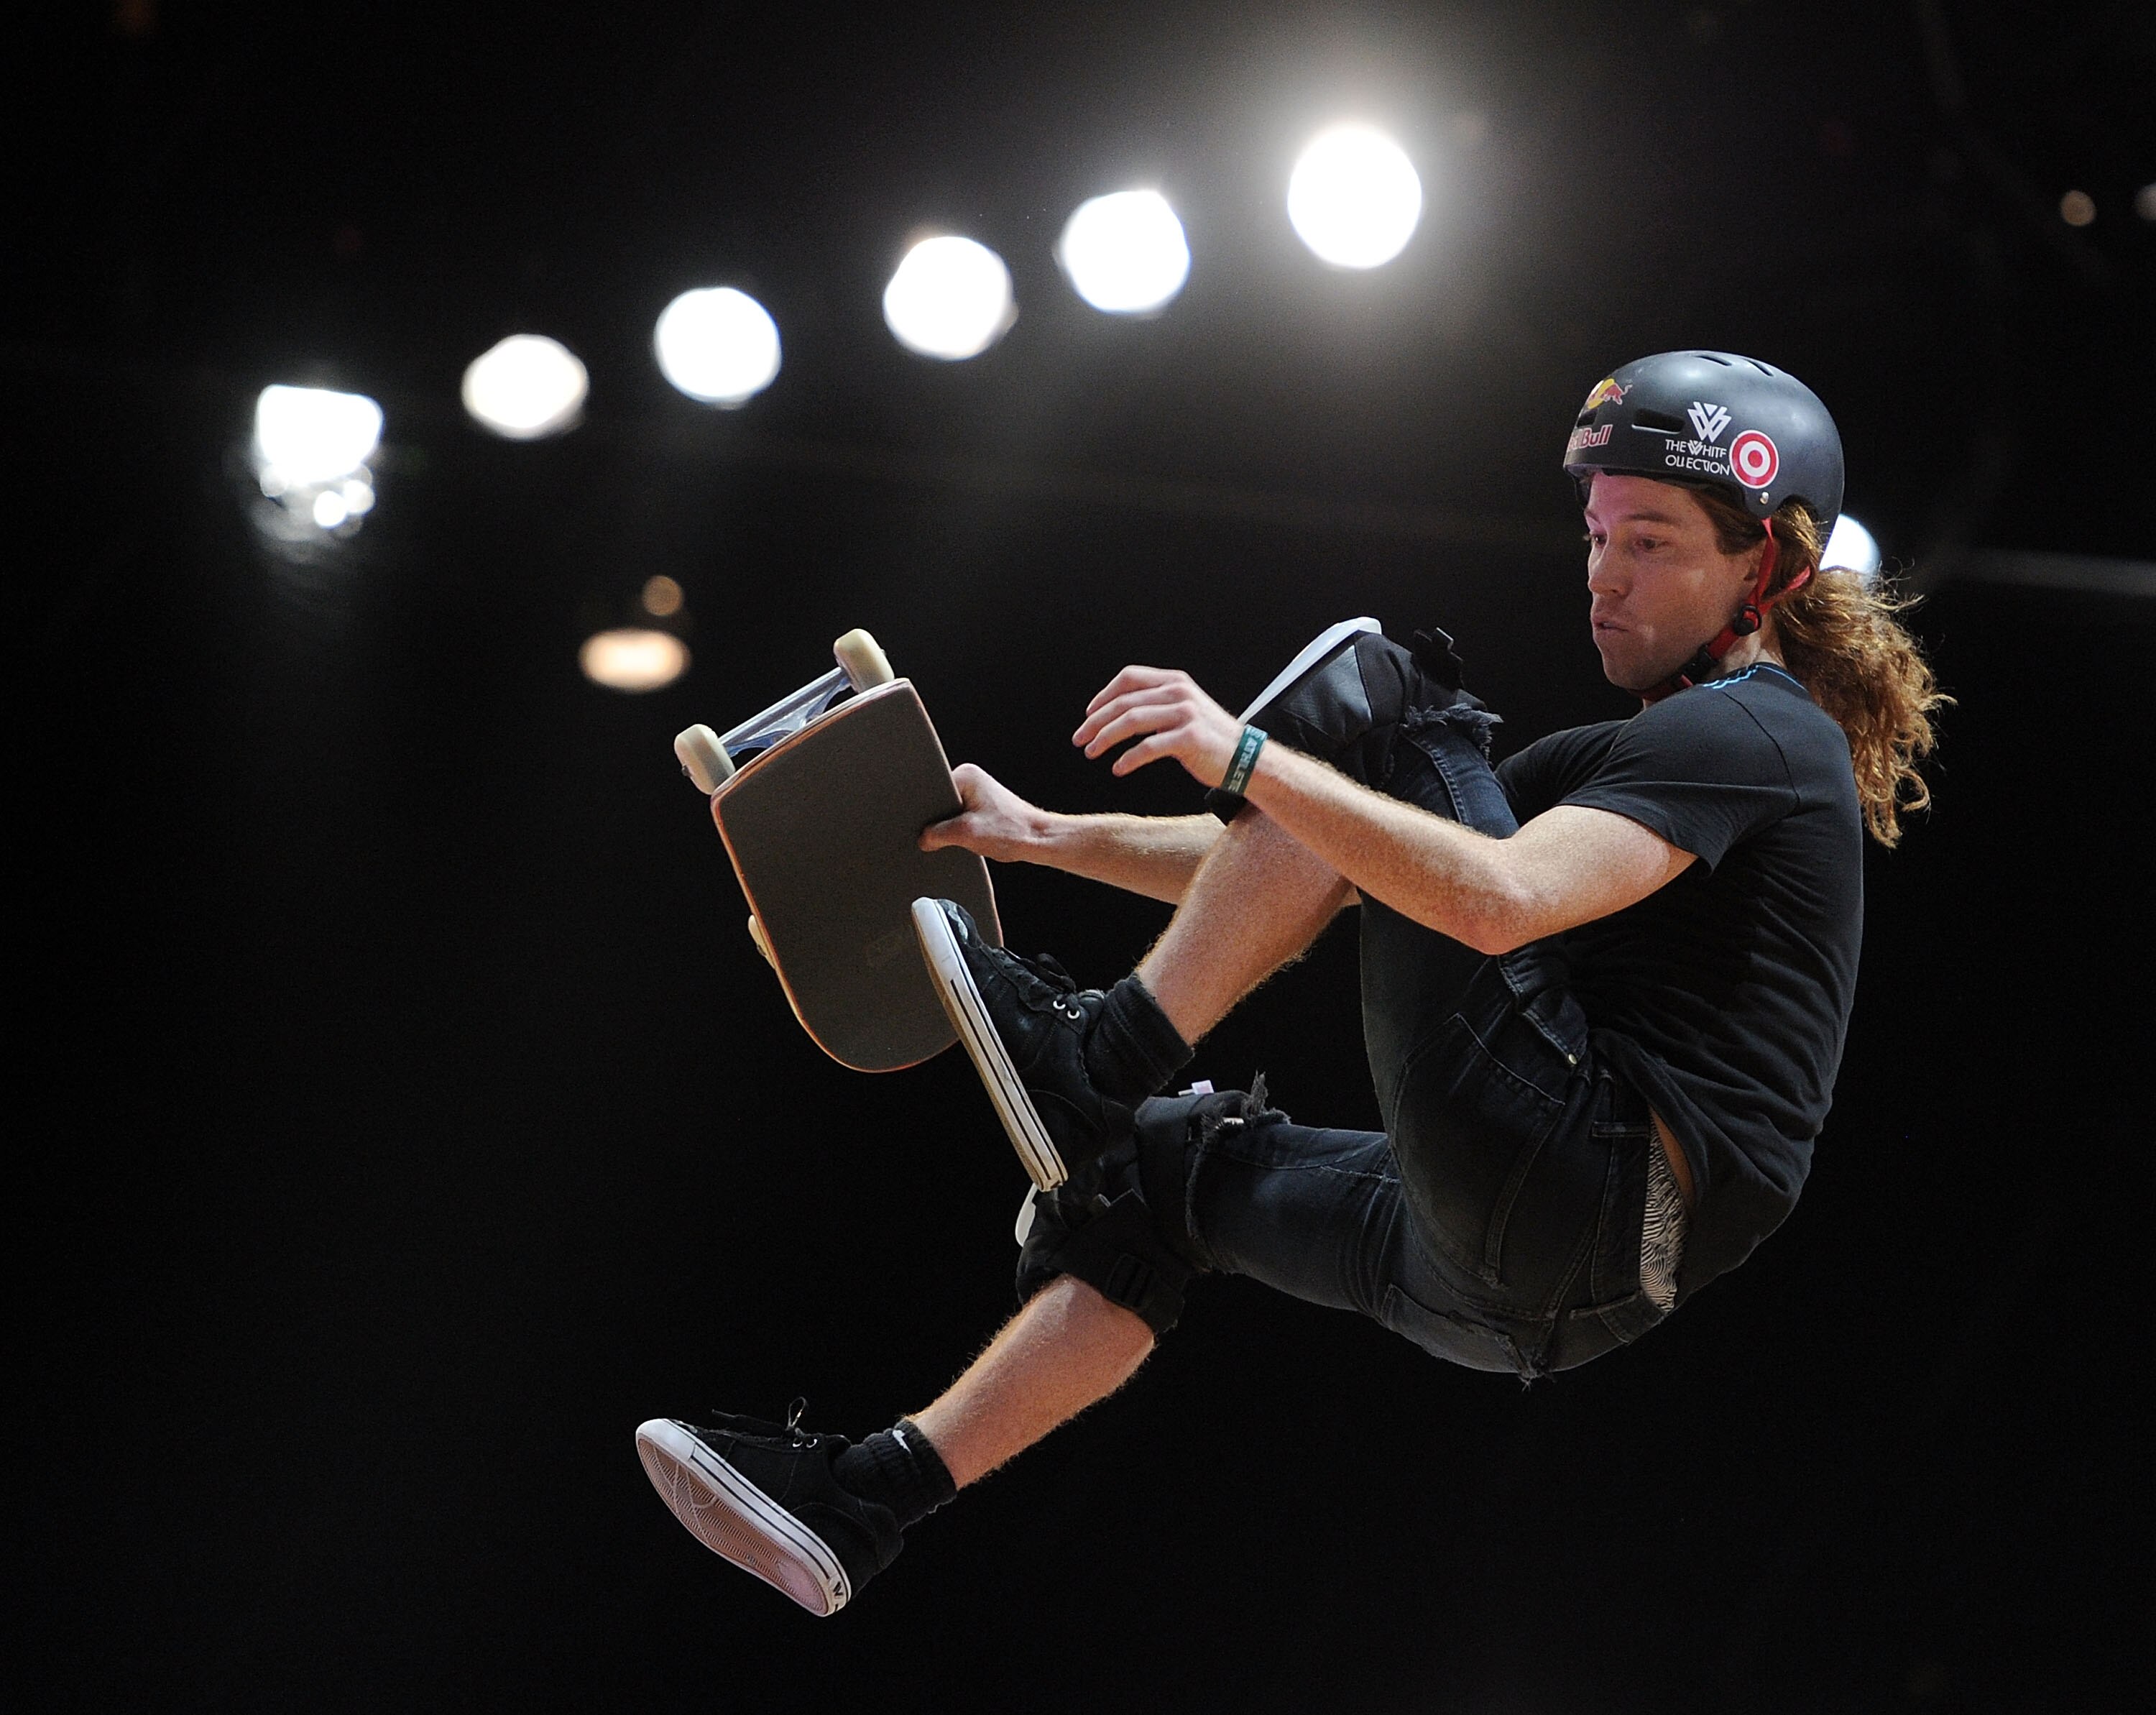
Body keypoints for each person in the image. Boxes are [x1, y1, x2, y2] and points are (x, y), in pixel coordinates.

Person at [633, 350, 1947, 1617]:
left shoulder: (1763, 731)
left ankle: (1096, 1058)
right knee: (1159, 1176)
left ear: (1769, 560)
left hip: (1582, 1178)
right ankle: (870, 1500)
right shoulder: (1650, 750)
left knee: (1377, 695)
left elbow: (1496, 898)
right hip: (1536, 1287)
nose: (1602, 577)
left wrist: (1250, 749)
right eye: (1596, 535)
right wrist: (1046, 836)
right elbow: (1326, 857)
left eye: (1650, 540)